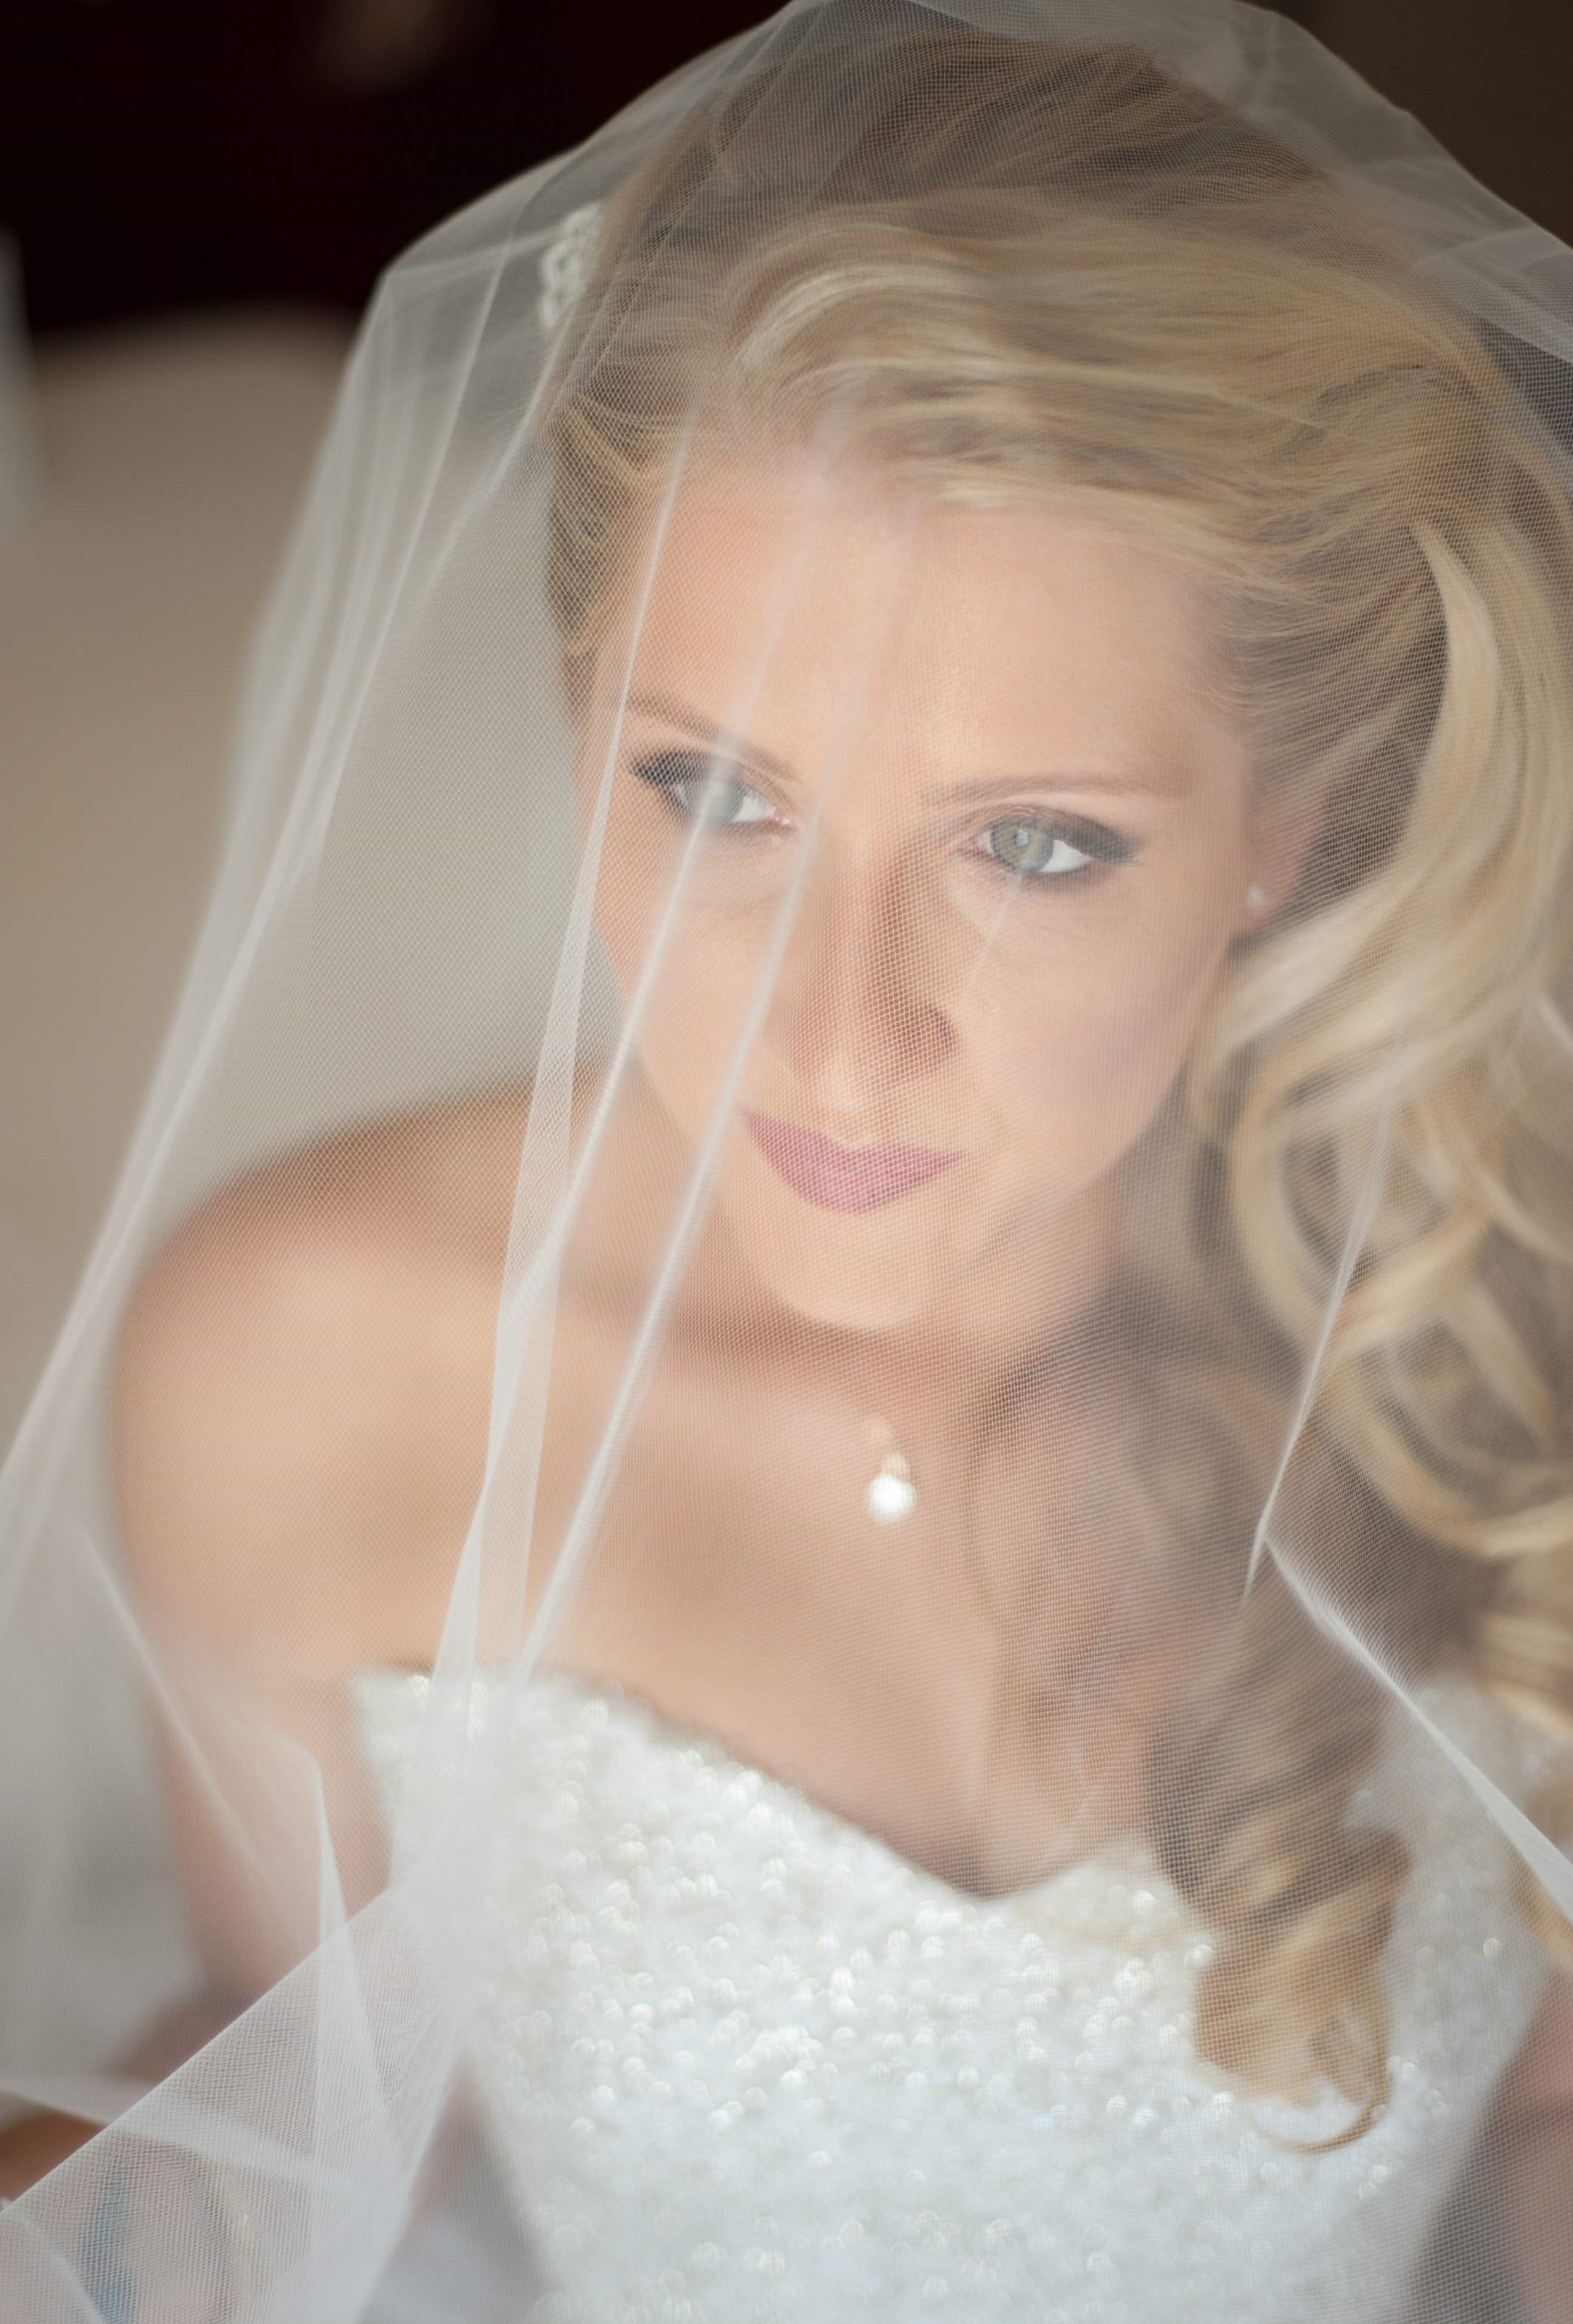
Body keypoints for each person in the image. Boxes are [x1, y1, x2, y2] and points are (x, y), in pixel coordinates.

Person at [3, 1, 1573, 2317]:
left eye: (1034, 844)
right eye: (714, 792)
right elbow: (327, 2099)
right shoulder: (304, 1361)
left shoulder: (1496, 1333)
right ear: (579, 718)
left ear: (1295, 822)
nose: (830, 1041)